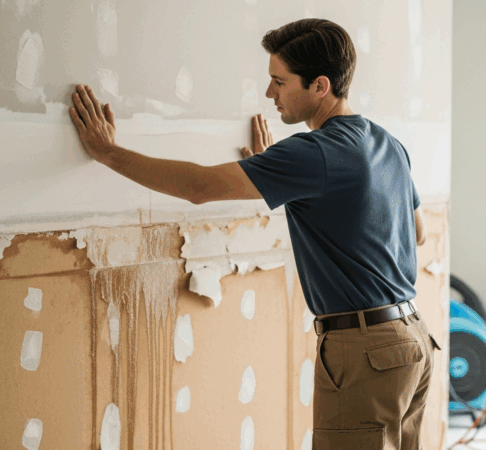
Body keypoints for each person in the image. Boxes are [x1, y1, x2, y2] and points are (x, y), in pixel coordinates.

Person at [68, 17, 440, 450]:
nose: (269, 94)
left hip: (365, 353)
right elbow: (417, 233)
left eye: (279, 82)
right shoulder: (386, 143)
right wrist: (287, 181)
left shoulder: (315, 154)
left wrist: (107, 151)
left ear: (320, 86)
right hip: (411, 342)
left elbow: (198, 188)